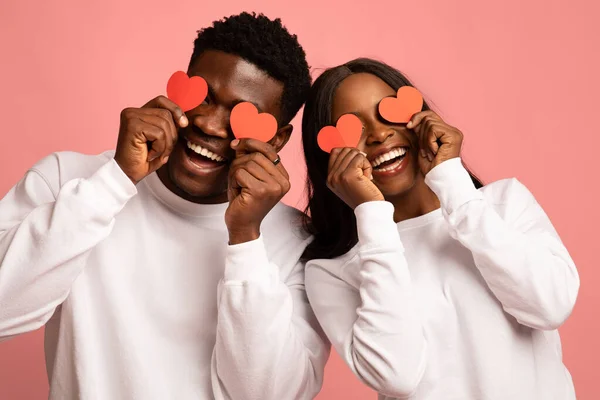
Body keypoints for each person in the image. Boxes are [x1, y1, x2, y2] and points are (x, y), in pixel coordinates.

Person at [0, 12, 330, 400]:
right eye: (203, 97)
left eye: (243, 116)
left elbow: (267, 395)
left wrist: (245, 238)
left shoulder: (297, 244)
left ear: (276, 140)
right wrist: (115, 180)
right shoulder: (66, 179)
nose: (210, 124)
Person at [300, 58, 579, 400]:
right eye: (351, 129)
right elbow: (395, 376)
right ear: (327, 154)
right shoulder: (331, 270)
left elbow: (550, 306)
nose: (379, 134)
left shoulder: (505, 203)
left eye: (387, 113)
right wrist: (371, 214)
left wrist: (453, 183)